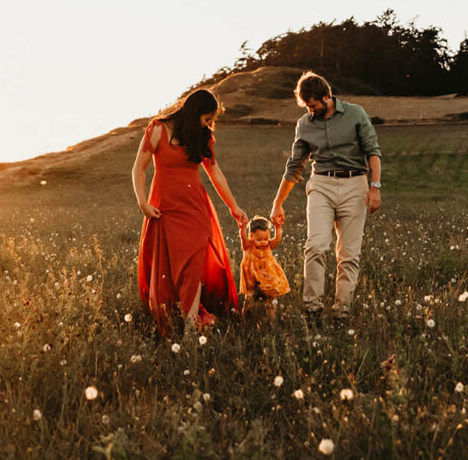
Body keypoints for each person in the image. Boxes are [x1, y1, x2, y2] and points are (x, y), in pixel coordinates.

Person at [269, 71, 381, 321]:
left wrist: (375, 186)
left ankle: (341, 311)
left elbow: (373, 151)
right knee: (316, 246)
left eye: (313, 105)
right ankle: (312, 309)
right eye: (306, 106)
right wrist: (278, 203)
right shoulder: (305, 124)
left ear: (327, 97)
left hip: (355, 185)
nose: (310, 110)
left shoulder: (355, 114)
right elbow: (295, 165)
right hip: (321, 184)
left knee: (349, 254)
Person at [132, 88, 244, 330]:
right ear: (194, 113)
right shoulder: (158, 129)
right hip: (163, 209)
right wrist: (143, 203)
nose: (209, 124)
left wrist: (234, 207)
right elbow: (138, 169)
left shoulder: (202, 136)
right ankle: (179, 316)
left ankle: (192, 322)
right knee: (170, 270)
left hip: (195, 209)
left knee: (192, 266)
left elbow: (215, 173)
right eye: (207, 119)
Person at [237, 217, 291, 316]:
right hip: (252, 280)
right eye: (259, 239)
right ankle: (245, 319)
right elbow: (243, 239)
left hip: (268, 279)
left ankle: (272, 322)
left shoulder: (268, 245)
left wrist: (278, 228)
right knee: (249, 300)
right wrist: (242, 229)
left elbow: (277, 240)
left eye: (266, 238)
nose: (263, 241)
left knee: (271, 301)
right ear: (251, 236)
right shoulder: (248, 246)